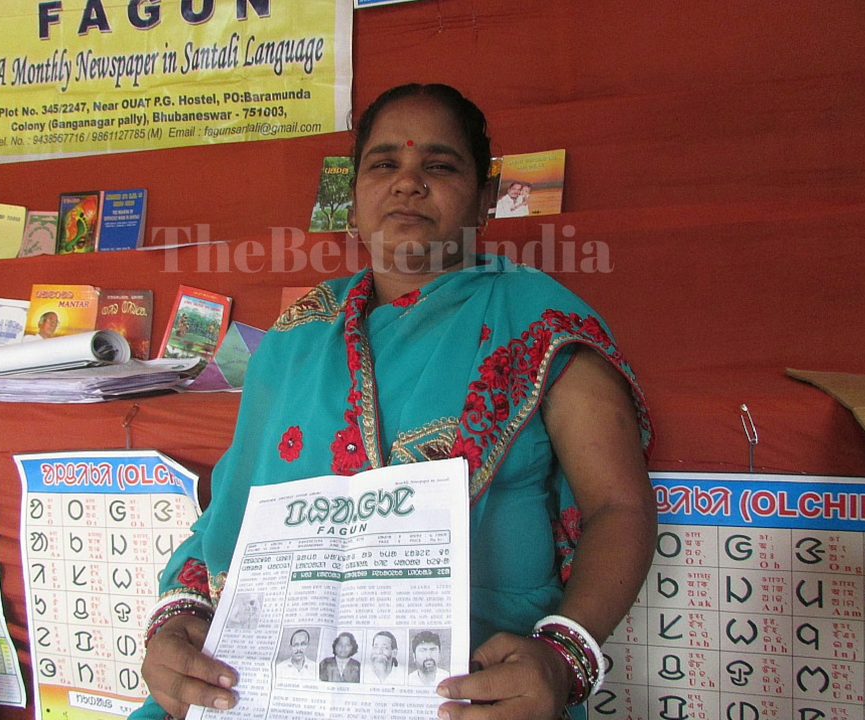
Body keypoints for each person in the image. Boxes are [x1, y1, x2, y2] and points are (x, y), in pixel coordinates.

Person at [135, 83, 656, 720]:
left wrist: (564, 656)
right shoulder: (296, 338)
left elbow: (618, 505)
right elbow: (233, 518)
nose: (408, 184)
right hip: (271, 687)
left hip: (477, 694)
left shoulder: (538, 323)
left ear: (485, 200)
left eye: (439, 166)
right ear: (352, 201)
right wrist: (176, 619)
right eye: (384, 165)